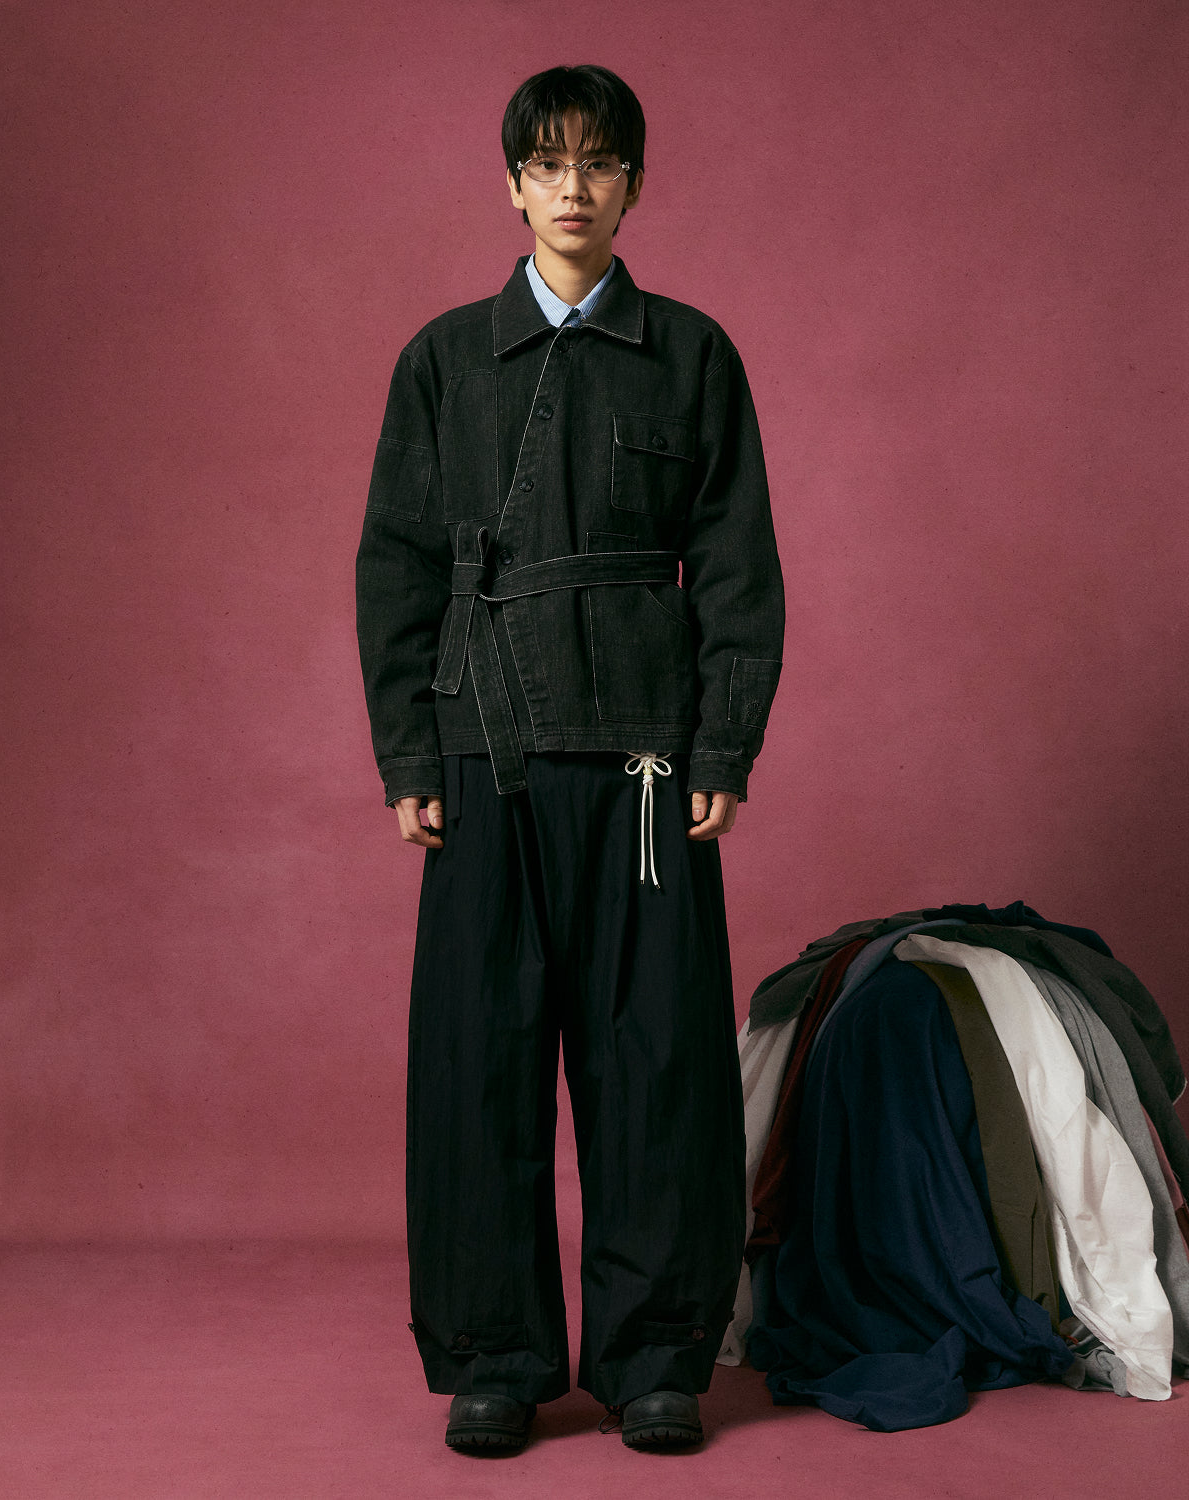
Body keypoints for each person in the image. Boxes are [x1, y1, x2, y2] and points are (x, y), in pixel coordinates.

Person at [356, 63, 784, 1453]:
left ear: (635, 184)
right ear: (512, 185)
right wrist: (408, 754)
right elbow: (396, 568)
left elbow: (735, 564)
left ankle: (656, 1357)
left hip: (648, 762)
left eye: (600, 164)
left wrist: (722, 740)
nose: (574, 189)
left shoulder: (693, 354)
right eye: (548, 165)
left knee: (655, 1062)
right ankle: (496, 1354)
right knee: (478, 1058)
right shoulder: (441, 361)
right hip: (484, 749)